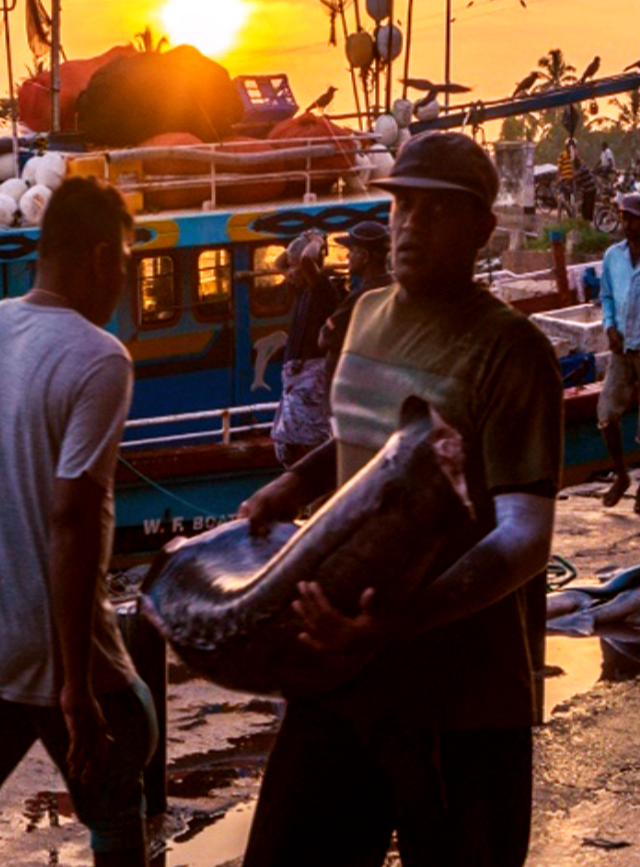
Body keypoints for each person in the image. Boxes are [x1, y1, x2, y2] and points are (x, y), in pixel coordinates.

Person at [239, 132, 563, 867]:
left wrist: (404, 617)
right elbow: (370, 432)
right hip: (339, 671)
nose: (410, 225)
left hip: (463, 702)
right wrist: (295, 481)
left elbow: (524, 534)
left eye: (436, 211)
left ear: (481, 229)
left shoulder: (510, 351)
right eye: (402, 206)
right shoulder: (367, 314)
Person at [0, 176, 156, 867]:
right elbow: (72, 518)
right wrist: (74, 688)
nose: (124, 284)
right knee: (124, 760)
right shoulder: (100, 358)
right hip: (62, 647)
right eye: (127, 266)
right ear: (103, 259)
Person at [268, 229, 341, 466]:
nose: (289, 273)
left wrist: (317, 240)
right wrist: (298, 243)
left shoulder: (323, 290)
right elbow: (278, 263)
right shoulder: (302, 289)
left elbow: (308, 262)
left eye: (294, 267)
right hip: (295, 379)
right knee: (285, 443)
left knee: (310, 441)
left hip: (310, 380)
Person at [597, 192, 640, 510]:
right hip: (622, 347)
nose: (625, 224)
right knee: (606, 414)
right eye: (623, 217)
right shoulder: (613, 256)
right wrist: (609, 326)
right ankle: (621, 475)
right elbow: (607, 296)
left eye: (631, 218)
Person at [317, 220, 392, 384]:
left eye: (351, 250)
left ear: (364, 256)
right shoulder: (395, 287)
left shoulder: (361, 296)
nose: (347, 256)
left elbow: (325, 339)